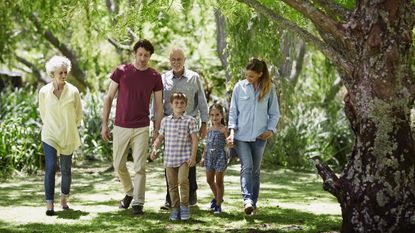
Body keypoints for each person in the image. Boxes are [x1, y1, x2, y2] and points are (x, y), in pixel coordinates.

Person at [101, 39, 164, 215]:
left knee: (140, 167)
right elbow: (108, 97)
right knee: (118, 164)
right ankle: (129, 191)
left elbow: (159, 105)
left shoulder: (154, 76)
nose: (143, 58)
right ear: (134, 54)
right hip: (120, 125)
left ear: (150, 56)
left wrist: (157, 129)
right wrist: (104, 124)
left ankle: (138, 202)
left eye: (146, 55)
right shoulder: (121, 71)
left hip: (142, 127)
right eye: (140, 54)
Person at [226, 58, 280, 216]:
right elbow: (233, 112)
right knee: (247, 166)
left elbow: (274, 113)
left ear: (260, 74)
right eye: (246, 75)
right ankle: (247, 200)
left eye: (251, 76)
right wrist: (231, 133)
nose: (248, 78)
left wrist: (270, 130)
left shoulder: (270, 89)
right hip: (241, 136)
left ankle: (252, 206)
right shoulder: (239, 87)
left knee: (255, 171)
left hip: (260, 137)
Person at [158, 47, 208, 209]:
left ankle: (191, 191)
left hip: (190, 124)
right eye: (173, 59)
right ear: (169, 61)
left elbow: (201, 101)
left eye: (179, 59)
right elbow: (157, 103)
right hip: (170, 125)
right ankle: (169, 197)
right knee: (170, 162)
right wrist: (156, 125)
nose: (176, 62)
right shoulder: (163, 78)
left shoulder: (194, 77)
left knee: (190, 160)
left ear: (184, 60)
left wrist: (205, 123)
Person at [38, 55, 83, 216]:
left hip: (68, 134)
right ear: (52, 74)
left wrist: (69, 125)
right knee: (50, 167)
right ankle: (49, 204)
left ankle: (64, 199)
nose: (64, 75)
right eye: (60, 73)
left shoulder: (73, 91)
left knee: (66, 169)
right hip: (50, 133)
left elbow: (78, 114)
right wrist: (52, 124)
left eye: (65, 72)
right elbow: (43, 114)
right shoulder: (43, 92)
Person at [151, 92, 198, 221]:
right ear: (171, 104)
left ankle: (184, 207)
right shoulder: (165, 121)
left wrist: (193, 157)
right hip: (169, 158)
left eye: (182, 103)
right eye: (176, 103)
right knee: (171, 185)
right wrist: (154, 148)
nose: (179, 105)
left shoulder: (190, 120)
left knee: (183, 181)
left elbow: (195, 139)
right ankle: (175, 208)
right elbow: (160, 137)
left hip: (184, 157)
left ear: (185, 105)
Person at [199, 103, 229, 214]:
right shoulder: (209, 129)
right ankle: (217, 198)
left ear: (222, 116)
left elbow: (229, 142)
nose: (214, 117)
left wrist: (230, 145)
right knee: (209, 180)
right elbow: (207, 144)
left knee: (219, 181)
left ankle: (218, 205)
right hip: (209, 157)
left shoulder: (224, 129)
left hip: (220, 156)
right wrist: (203, 157)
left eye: (217, 115)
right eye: (212, 115)